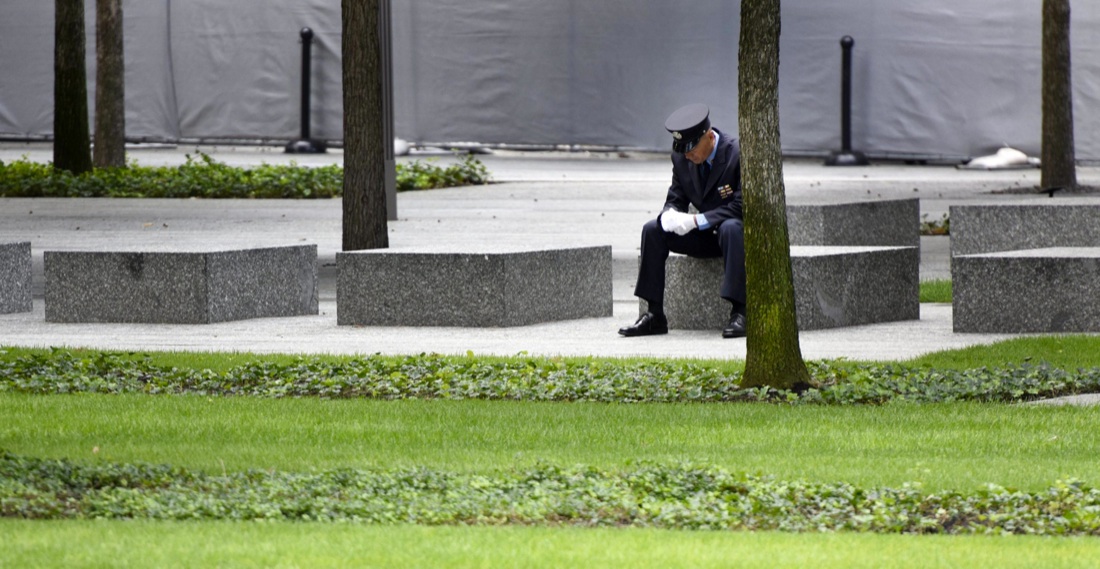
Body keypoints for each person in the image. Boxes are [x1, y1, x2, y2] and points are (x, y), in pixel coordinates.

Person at [618, 103, 746, 338]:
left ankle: (741, 312)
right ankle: (654, 315)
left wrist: (698, 221)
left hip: (734, 236)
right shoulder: (682, 158)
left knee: (731, 228)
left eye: (691, 148)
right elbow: (677, 196)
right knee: (653, 230)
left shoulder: (736, 153)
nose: (687, 154)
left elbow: (741, 206)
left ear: (709, 136)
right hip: (706, 238)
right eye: (683, 149)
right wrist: (670, 214)